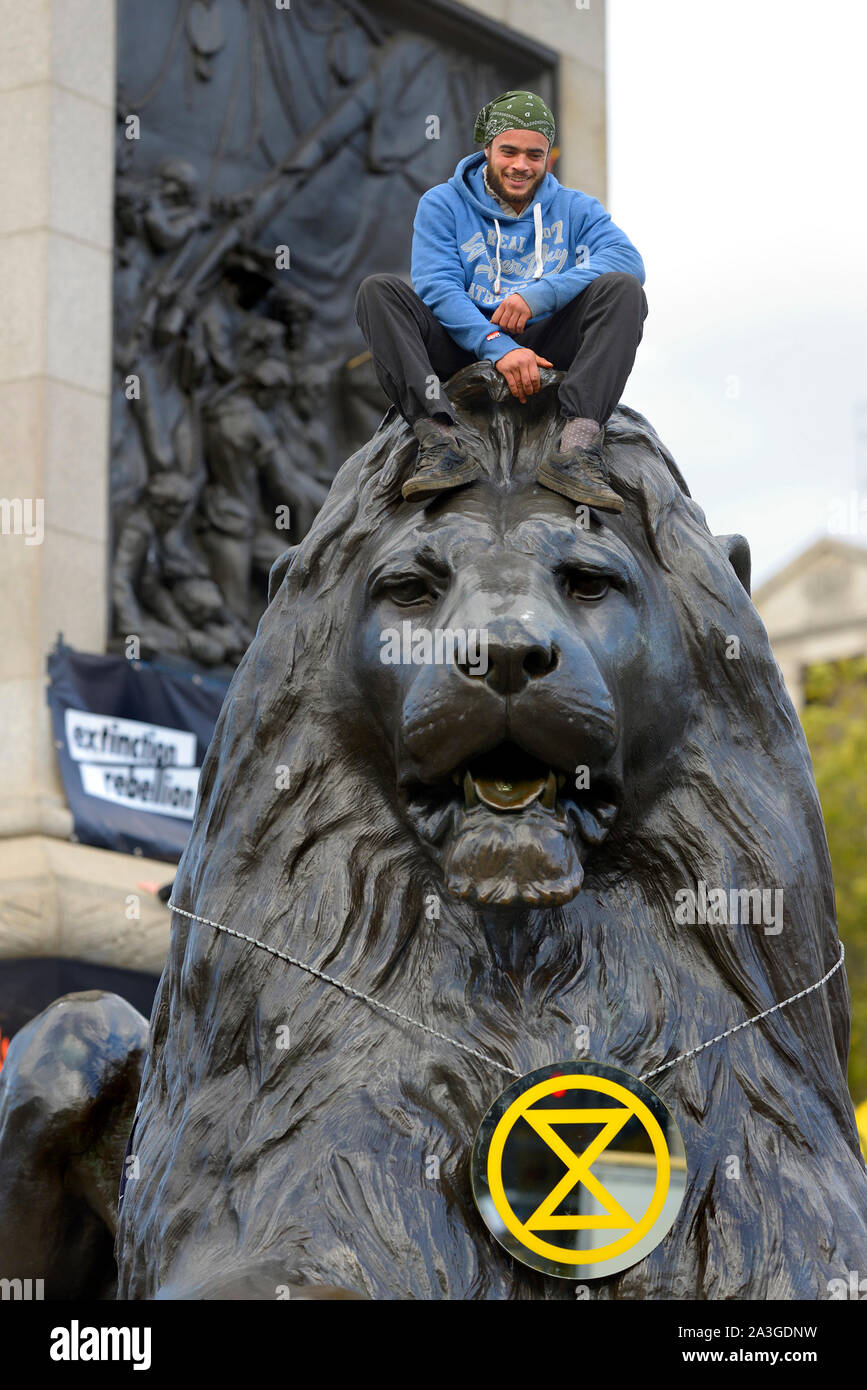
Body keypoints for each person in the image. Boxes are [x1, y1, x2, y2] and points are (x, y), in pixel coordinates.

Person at [355, 89, 648, 512]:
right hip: (463, 342)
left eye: (535, 155)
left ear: (549, 156)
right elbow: (438, 286)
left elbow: (627, 259)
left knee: (622, 289)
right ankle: (439, 440)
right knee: (378, 291)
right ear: (488, 148)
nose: (521, 166)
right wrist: (498, 347)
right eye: (509, 151)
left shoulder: (576, 207)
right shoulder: (442, 203)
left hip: (548, 341)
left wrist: (540, 294)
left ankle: (578, 447)